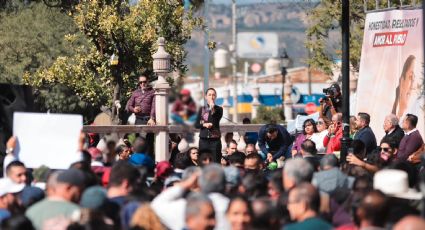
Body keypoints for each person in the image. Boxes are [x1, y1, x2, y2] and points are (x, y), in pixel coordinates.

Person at [125, 74, 156, 156]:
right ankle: (137, 159)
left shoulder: (152, 92)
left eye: (144, 82)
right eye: (141, 82)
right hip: (138, 119)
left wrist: (152, 118)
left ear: (148, 82)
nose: (142, 84)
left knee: (149, 141)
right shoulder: (135, 93)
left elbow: (154, 106)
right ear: (139, 83)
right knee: (138, 141)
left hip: (149, 119)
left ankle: (149, 161)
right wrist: (133, 109)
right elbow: (129, 106)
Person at [195, 88, 223, 163]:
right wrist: (204, 124)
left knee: (216, 161)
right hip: (203, 140)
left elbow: (214, 120)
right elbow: (196, 124)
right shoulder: (201, 109)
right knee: (203, 161)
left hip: (215, 140)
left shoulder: (219, 109)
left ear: (216, 96)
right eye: (209, 95)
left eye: (213, 95)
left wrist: (212, 108)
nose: (211, 97)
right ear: (206, 97)